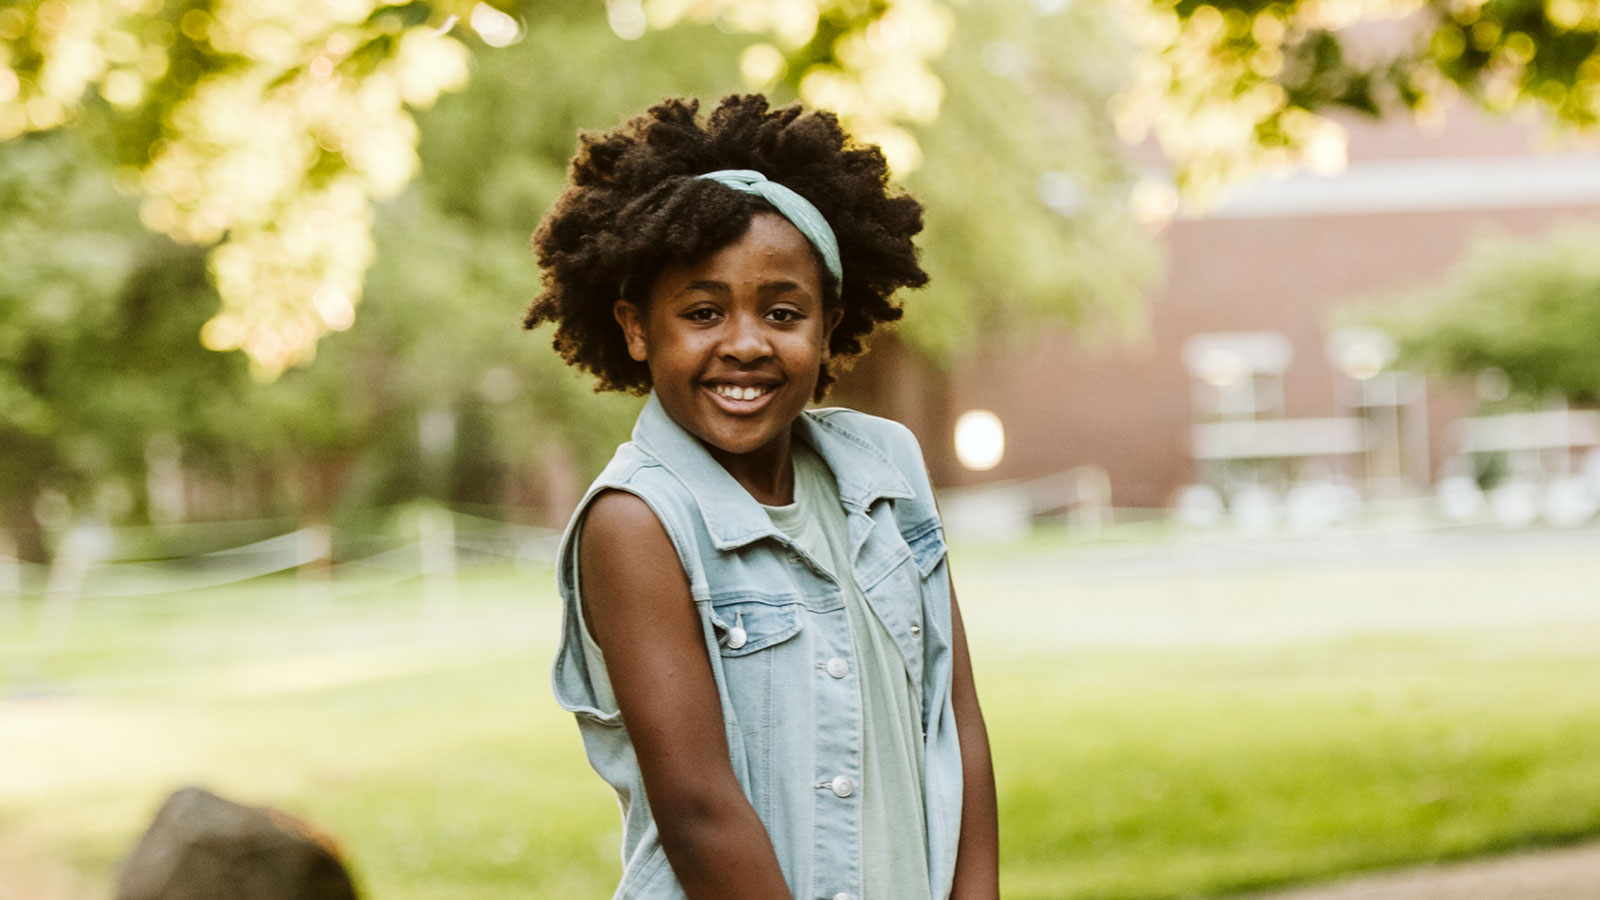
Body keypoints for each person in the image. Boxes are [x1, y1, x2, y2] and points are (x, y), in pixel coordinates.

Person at [529, 94, 998, 900]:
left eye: (783, 312)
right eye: (703, 312)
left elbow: (956, 723)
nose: (745, 344)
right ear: (638, 330)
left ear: (828, 328)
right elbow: (699, 809)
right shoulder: (637, 522)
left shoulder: (886, 469)